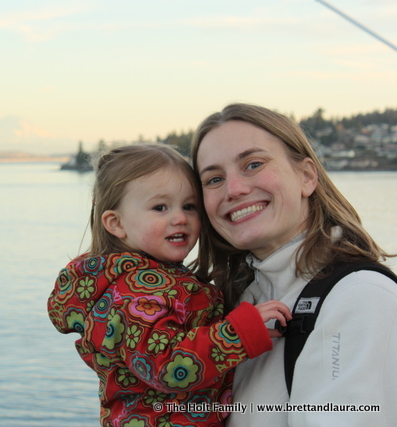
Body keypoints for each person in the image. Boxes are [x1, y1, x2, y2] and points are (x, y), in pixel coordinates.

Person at [47, 144, 291, 427]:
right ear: (116, 223)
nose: (180, 218)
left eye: (189, 206)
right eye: (160, 207)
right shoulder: (132, 294)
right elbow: (165, 366)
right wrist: (237, 333)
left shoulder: (157, 280)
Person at [191, 103, 397, 427]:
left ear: (306, 176)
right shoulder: (231, 308)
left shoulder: (358, 297)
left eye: (253, 164)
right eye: (214, 179)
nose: (234, 189)